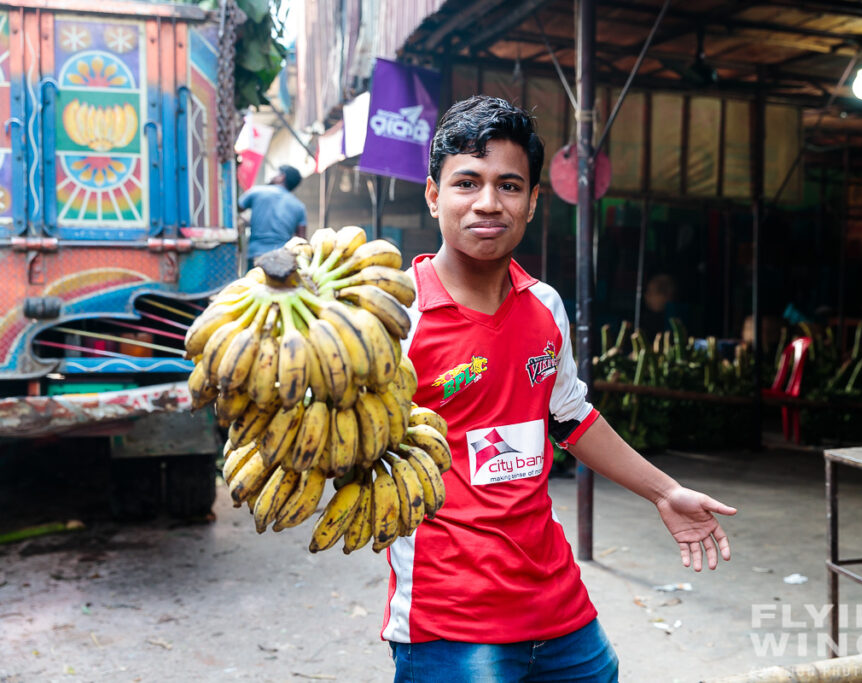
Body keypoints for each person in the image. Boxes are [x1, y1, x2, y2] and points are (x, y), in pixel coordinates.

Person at [383, 95, 736, 682]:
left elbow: (570, 416)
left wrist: (664, 492)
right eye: (466, 183)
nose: (488, 204)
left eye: (510, 185)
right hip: (451, 619)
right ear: (432, 194)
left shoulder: (544, 306)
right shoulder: (395, 315)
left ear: (534, 200)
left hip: (558, 606)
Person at [239, 164, 307, 268]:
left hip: (256, 256)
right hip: (283, 259)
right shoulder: (299, 206)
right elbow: (301, 241)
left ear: (282, 177)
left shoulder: (257, 192)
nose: (272, 176)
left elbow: (234, 208)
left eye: (276, 173)